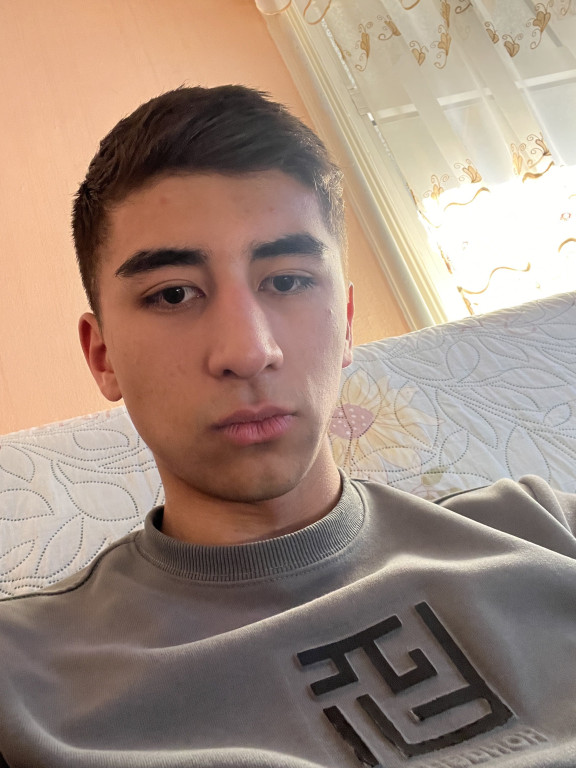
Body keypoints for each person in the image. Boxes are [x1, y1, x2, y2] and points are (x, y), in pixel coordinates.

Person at [0, 85, 575, 768]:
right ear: (102, 357)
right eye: (173, 294)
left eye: (288, 280)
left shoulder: (540, 527)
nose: (248, 351)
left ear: (347, 324)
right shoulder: (23, 678)